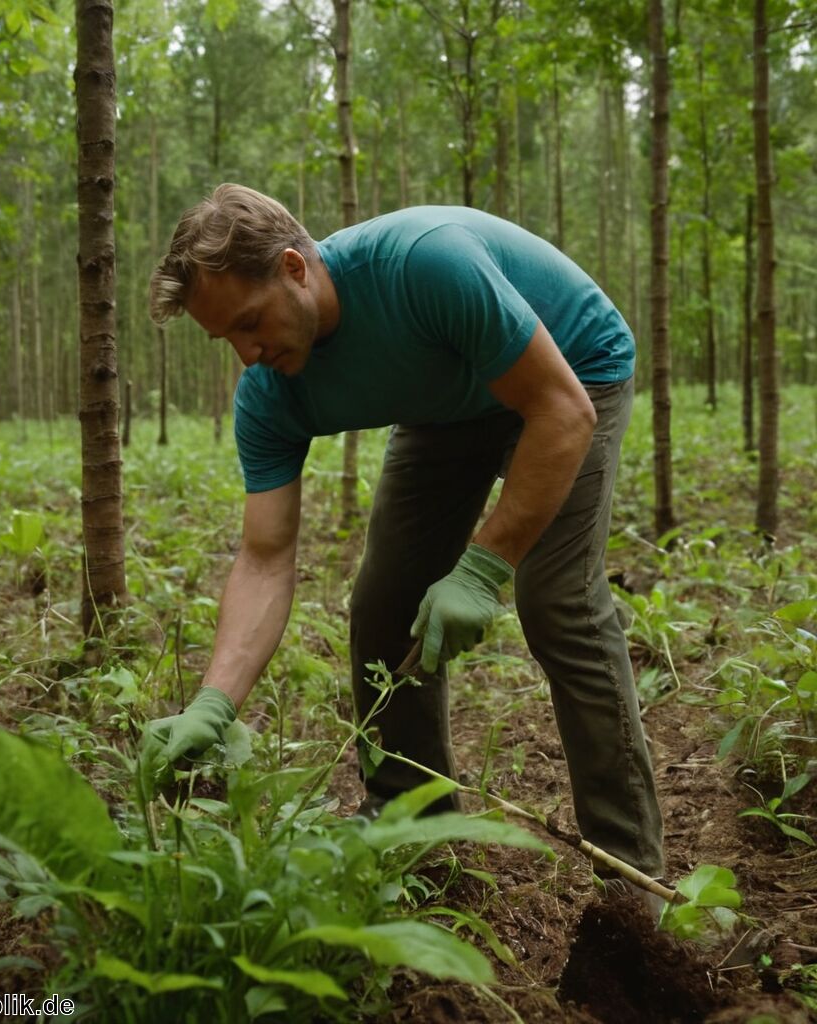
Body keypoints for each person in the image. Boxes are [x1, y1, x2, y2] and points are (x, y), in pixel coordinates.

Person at [141, 183, 664, 881]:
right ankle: (414, 823)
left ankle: (632, 873)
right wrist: (214, 703)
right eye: (226, 338)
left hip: (571, 373)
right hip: (444, 406)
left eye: (250, 321)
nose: (246, 353)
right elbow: (265, 558)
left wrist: (484, 568)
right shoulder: (270, 393)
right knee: (385, 603)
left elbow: (562, 413)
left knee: (556, 601)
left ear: (296, 269)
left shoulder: (424, 265)